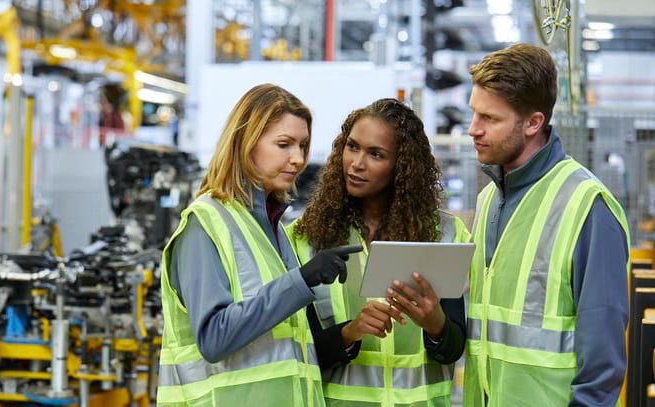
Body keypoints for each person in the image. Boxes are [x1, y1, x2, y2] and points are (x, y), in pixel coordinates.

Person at [156, 84, 361, 406]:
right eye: (284, 144)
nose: (297, 159)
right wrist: (302, 280)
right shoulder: (205, 224)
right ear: (245, 143)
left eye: (303, 146)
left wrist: (349, 333)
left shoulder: (274, 228)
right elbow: (214, 338)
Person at [463, 43, 630, 406]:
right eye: (474, 114)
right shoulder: (488, 200)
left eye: (489, 119)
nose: (472, 129)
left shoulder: (587, 206)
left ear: (533, 123)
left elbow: (603, 355)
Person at [287, 98, 470, 406]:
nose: (357, 163)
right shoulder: (306, 238)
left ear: (402, 166)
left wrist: (435, 323)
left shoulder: (444, 235)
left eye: (376, 154)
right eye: (353, 146)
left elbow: (454, 348)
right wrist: (350, 332)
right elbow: (298, 352)